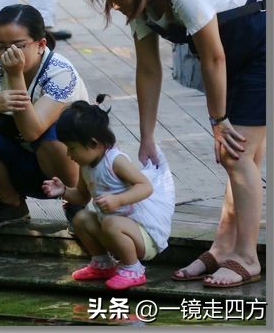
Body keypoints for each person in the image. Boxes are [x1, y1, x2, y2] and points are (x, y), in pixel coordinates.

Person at [88, 0, 265, 289]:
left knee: (235, 155)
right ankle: (223, 246)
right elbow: (148, 69)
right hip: (237, 56)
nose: (115, 4)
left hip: (264, 49)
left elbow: (213, 57)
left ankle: (247, 256)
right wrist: (148, 137)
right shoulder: (141, 2)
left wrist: (218, 122)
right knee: (239, 156)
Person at [0, 4, 87, 235]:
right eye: (1, 46)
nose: (8, 54)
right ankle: (11, 204)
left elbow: (33, 131)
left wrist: (15, 75)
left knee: (50, 133)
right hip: (20, 165)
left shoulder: (60, 72)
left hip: (65, 172)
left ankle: (75, 203)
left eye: (18, 46)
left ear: (41, 44)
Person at [42, 97, 175, 290]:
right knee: (81, 218)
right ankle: (103, 264)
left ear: (93, 143)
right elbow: (82, 196)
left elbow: (145, 186)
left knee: (111, 222)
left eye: (72, 148)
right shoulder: (86, 166)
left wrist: (118, 200)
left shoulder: (115, 161)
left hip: (143, 237)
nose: (69, 155)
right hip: (114, 231)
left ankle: (134, 269)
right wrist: (63, 191)